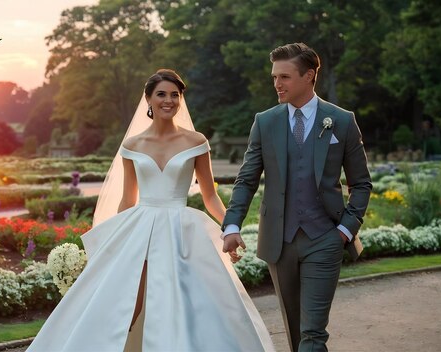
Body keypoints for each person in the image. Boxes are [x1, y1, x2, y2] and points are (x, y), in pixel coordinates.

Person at [27, 69, 274, 351]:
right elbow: (127, 199)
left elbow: (210, 196)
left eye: (174, 95)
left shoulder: (196, 142)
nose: (168, 101)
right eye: (161, 94)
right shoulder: (132, 145)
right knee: (126, 300)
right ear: (148, 99)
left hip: (183, 232)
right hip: (140, 228)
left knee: (190, 303)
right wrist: (113, 240)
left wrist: (231, 228)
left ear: (181, 100)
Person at [222, 43, 372, 352]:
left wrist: (344, 231)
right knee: (294, 333)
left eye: (285, 77)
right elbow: (247, 179)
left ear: (309, 76)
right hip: (280, 241)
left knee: (313, 334)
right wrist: (232, 225)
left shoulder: (341, 121)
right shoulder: (265, 122)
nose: (277, 84)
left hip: (325, 238)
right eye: (275, 77)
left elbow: (361, 183)